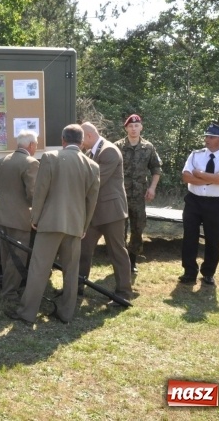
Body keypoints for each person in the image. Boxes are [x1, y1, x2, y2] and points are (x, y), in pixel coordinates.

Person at [4, 124, 99, 325]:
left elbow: (40, 192)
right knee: (71, 271)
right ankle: (66, 313)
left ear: (63, 140)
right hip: (75, 225)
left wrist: (35, 218)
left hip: (49, 223)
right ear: (82, 143)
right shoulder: (92, 166)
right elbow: (91, 201)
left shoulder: (51, 158)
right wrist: (84, 226)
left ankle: (27, 313)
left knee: (39, 268)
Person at [78, 122, 134, 306]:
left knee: (117, 252)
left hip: (111, 212)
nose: (80, 143)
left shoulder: (109, 151)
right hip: (94, 212)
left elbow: (95, 181)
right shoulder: (91, 152)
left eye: (81, 139)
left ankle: (124, 292)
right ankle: (77, 287)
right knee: (83, 251)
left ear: (88, 136)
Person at [179, 123, 219, 286]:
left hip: (215, 203)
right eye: (206, 136)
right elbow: (186, 177)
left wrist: (200, 174)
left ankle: (208, 273)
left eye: (211, 137)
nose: (207, 140)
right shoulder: (195, 155)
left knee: (213, 238)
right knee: (190, 236)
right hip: (193, 201)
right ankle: (189, 272)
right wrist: (213, 178)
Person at [0, 130, 40, 310]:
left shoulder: (4, 160)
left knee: (7, 255)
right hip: (20, 218)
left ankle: (8, 288)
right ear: (31, 145)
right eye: (35, 144)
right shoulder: (31, 163)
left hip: (2, 215)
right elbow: (33, 194)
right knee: (18, 256)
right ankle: (10, 293)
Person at [115, 114, 162, 273]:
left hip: (139, 195)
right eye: (130, 126)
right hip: (120, 194)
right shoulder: (117, 146)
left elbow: (156, 169)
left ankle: (132, 260)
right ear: (126, 128)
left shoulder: (148, 147)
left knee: (138, 227)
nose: (133, 129)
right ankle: (120, 261)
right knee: (120, 227)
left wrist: (152, 187)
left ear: (141, 127)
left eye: (136, 126)